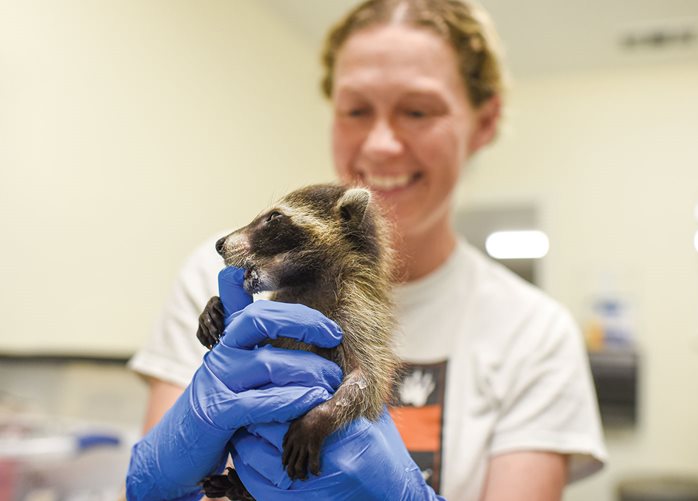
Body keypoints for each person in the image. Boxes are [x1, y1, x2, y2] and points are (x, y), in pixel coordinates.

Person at [127, 0, 607, 499]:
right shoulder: (221, 272)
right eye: (356, 109)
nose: (380, 145)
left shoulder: (538, 335)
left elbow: (365, 377)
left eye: (418, 111)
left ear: (483, 122)